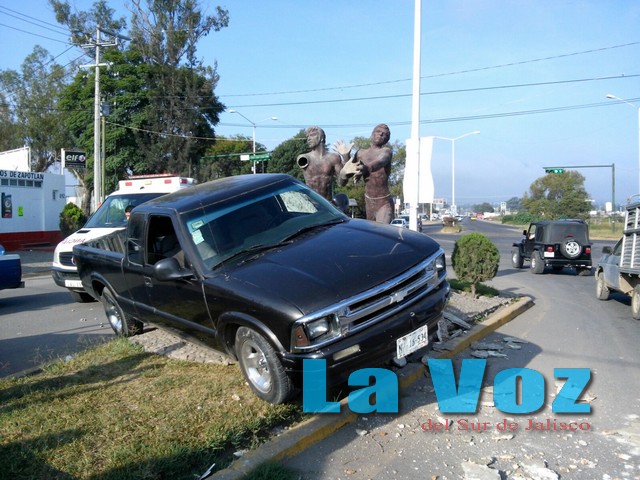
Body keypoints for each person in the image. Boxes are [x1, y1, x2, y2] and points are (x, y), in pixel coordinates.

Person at [339, 124, 393, 224]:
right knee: (371, 231)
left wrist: (367, 168)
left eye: (384, 134)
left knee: (381, 230)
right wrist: (345, 156)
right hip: (369, 202)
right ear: (372, 134)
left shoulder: (386, 151)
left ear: (387, 139)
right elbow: (348, 173)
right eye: (378, 131)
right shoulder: (360, 153)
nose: (381, 134)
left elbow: (381, 161)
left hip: (383, 202)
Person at [297, 126, 352, 201]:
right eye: (308, 137)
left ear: (321, 138)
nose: (308, 139)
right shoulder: (305, 158)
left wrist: (346, 157)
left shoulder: (333, 158)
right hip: (310, 203)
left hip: (327, 203)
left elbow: (342, 183)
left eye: (312, 135)